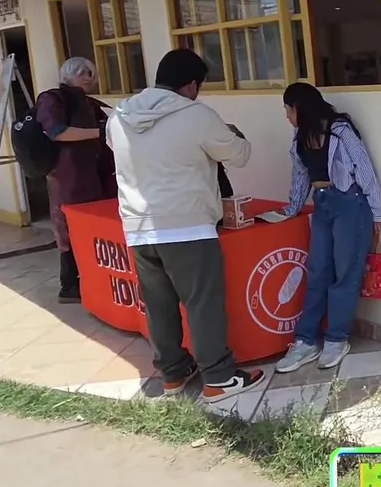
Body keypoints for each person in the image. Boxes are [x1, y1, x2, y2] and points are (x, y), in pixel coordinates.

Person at [105, 49, 264, 402]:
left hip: (139, 228)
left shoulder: (119, 115)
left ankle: (173, 375)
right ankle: (218, 378)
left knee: (158, 306)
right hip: (187, 226)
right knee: (202, 303)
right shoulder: (196, 115)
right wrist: (233, 134)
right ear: (191, 85)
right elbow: (239, 154)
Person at [274, 83, 381, 373]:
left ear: (299, 108)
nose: (287, 116)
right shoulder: (300, 136)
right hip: (322, 204)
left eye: (288, 110)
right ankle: (306, 341)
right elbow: (300, 174)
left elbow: (365, 170)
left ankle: (336, 339)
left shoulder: (340, 131)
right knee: (318, 272)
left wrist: (377, 212)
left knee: (345, 274)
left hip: (350, 204)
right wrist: (291, 208)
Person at [35, 58, 118, 303]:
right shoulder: (53, 99)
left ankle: (93, 281)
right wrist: (99, 132)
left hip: (93, 175)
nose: (86, 77)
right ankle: (69, 285)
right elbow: (56, 131)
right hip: (68, 176)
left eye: (90, 73)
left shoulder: (88, 104)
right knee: (68, 227)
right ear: (66, 75)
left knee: (93, 227)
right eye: (79, 72)